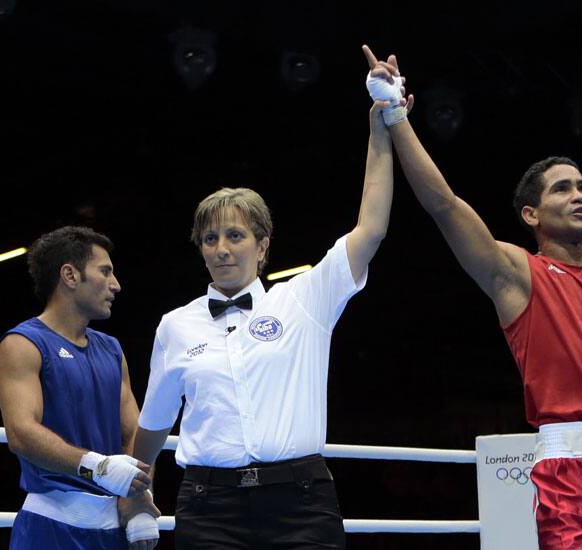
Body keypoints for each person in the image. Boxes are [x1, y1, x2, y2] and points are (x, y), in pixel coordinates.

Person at [364, 29, 582, 549]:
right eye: (563, 188)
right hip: (571, 476)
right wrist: (396, 115)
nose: (580, 196)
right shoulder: (515, 274)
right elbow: (445, 205)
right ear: (531, 214)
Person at [122, 73, 409, 549]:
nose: (221, 249)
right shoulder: (176, 325)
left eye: (235, 236)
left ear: (262, 245)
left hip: (300, 502)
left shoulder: (304, 298)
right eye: (210, 239)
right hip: (208, 507)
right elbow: (153, 424)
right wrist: (136, 492)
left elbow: (371, 228)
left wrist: (382, 128)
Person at [0, 226, 158, 549]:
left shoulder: (111, 349)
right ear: (70, 275)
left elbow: (135, 433)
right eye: (105, 271)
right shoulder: (22, 345)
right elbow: (21, 433)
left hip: (113, 528)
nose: (116, 285)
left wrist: (139, 497)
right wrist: (97, 466)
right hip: (51, 526)